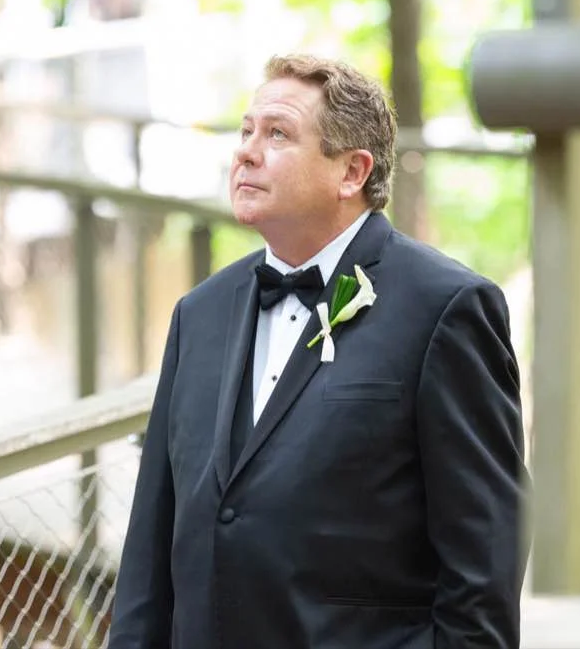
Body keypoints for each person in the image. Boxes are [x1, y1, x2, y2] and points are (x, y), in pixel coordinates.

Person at [107, 54, 527, 649]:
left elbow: (483, 569)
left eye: (278, 134)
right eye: (246, 131)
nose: (247, 153)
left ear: (352, 172)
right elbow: (149, 553)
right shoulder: (198, 314)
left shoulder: (446, 309)